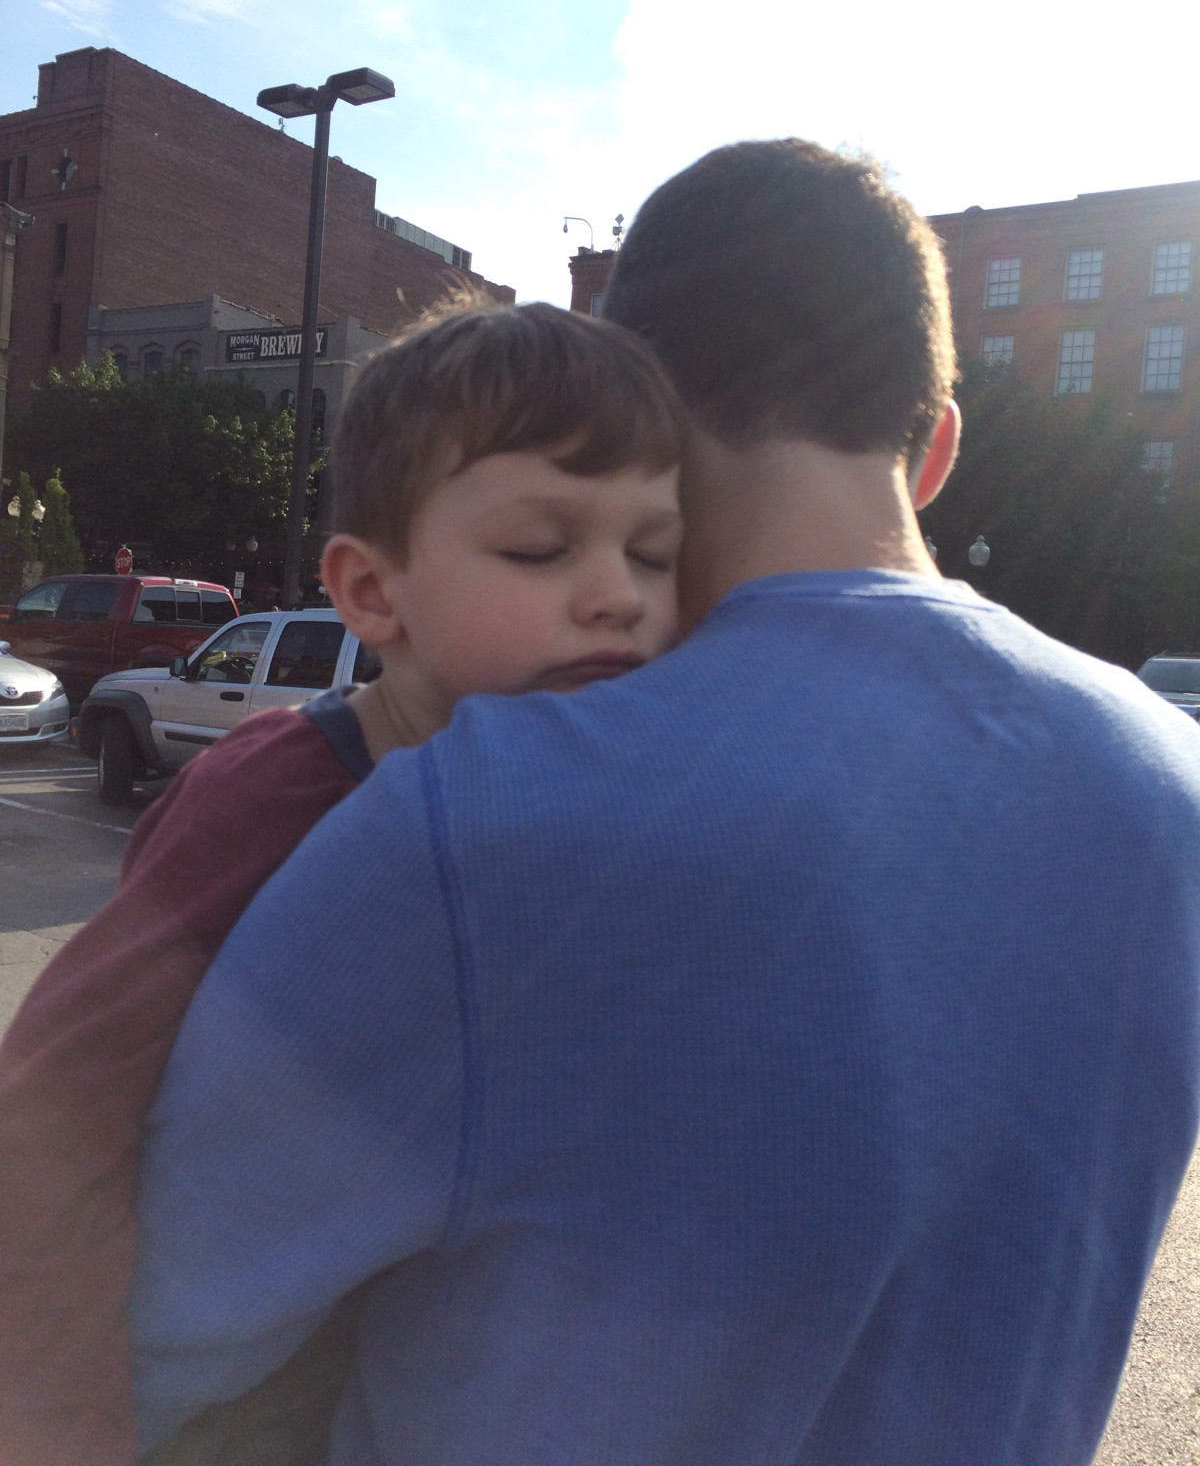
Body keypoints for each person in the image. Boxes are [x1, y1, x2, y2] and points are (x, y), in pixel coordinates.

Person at [131, 140, 1200, 1466]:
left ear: (638, 407)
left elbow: (123, 1340)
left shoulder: (478, 820)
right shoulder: (1172, 796)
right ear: (936, 451)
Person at [0, 298, 683, 1466]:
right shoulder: (267, 796)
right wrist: (59, 1427)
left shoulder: (599, 794)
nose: (619, 593)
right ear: (371, 594)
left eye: (656, 553)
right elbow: (57, 1105)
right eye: (540, 547)